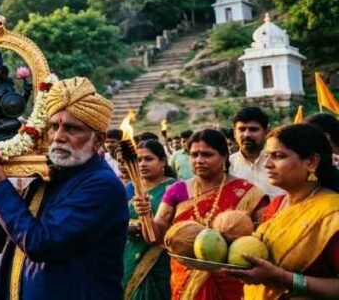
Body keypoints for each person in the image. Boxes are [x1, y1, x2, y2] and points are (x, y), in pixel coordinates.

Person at [0, 76, 129, 299]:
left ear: (98, 140)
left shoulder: (101, 185)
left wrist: (0, 183)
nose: (58, 136)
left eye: (72, 129)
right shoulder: (48, 177)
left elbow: (40, 243)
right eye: (54, 126)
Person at [135, 129, 268, 300]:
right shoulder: (177, 191)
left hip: (233, 282)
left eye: (207, 154)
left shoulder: (246, 192)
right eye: (194, 155)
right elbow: (155, 237)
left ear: (224, 156)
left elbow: (264, 236)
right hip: (185, 281)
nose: (199, 160)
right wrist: (145, 216)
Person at [220, 123, 339, 299]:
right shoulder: (277, 205)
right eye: (267, 156)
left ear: (312, 162)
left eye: (279, 156)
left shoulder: (333, 214)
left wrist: (284, 278)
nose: (267, 164)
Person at [123, 140, 176, 300]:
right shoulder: (128, 189)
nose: (142, 164)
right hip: (128, 255)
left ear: (163, 161)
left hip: (159, 260)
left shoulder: (174, 188)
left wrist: (149, 221)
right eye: (138, 160)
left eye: (148, 159)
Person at [229, 106, 284, 198]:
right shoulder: (227, 165)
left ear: (266, 132)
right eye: (242, 129)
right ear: (235, 133)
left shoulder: (281, 162)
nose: (247, 135)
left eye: (253, 129)